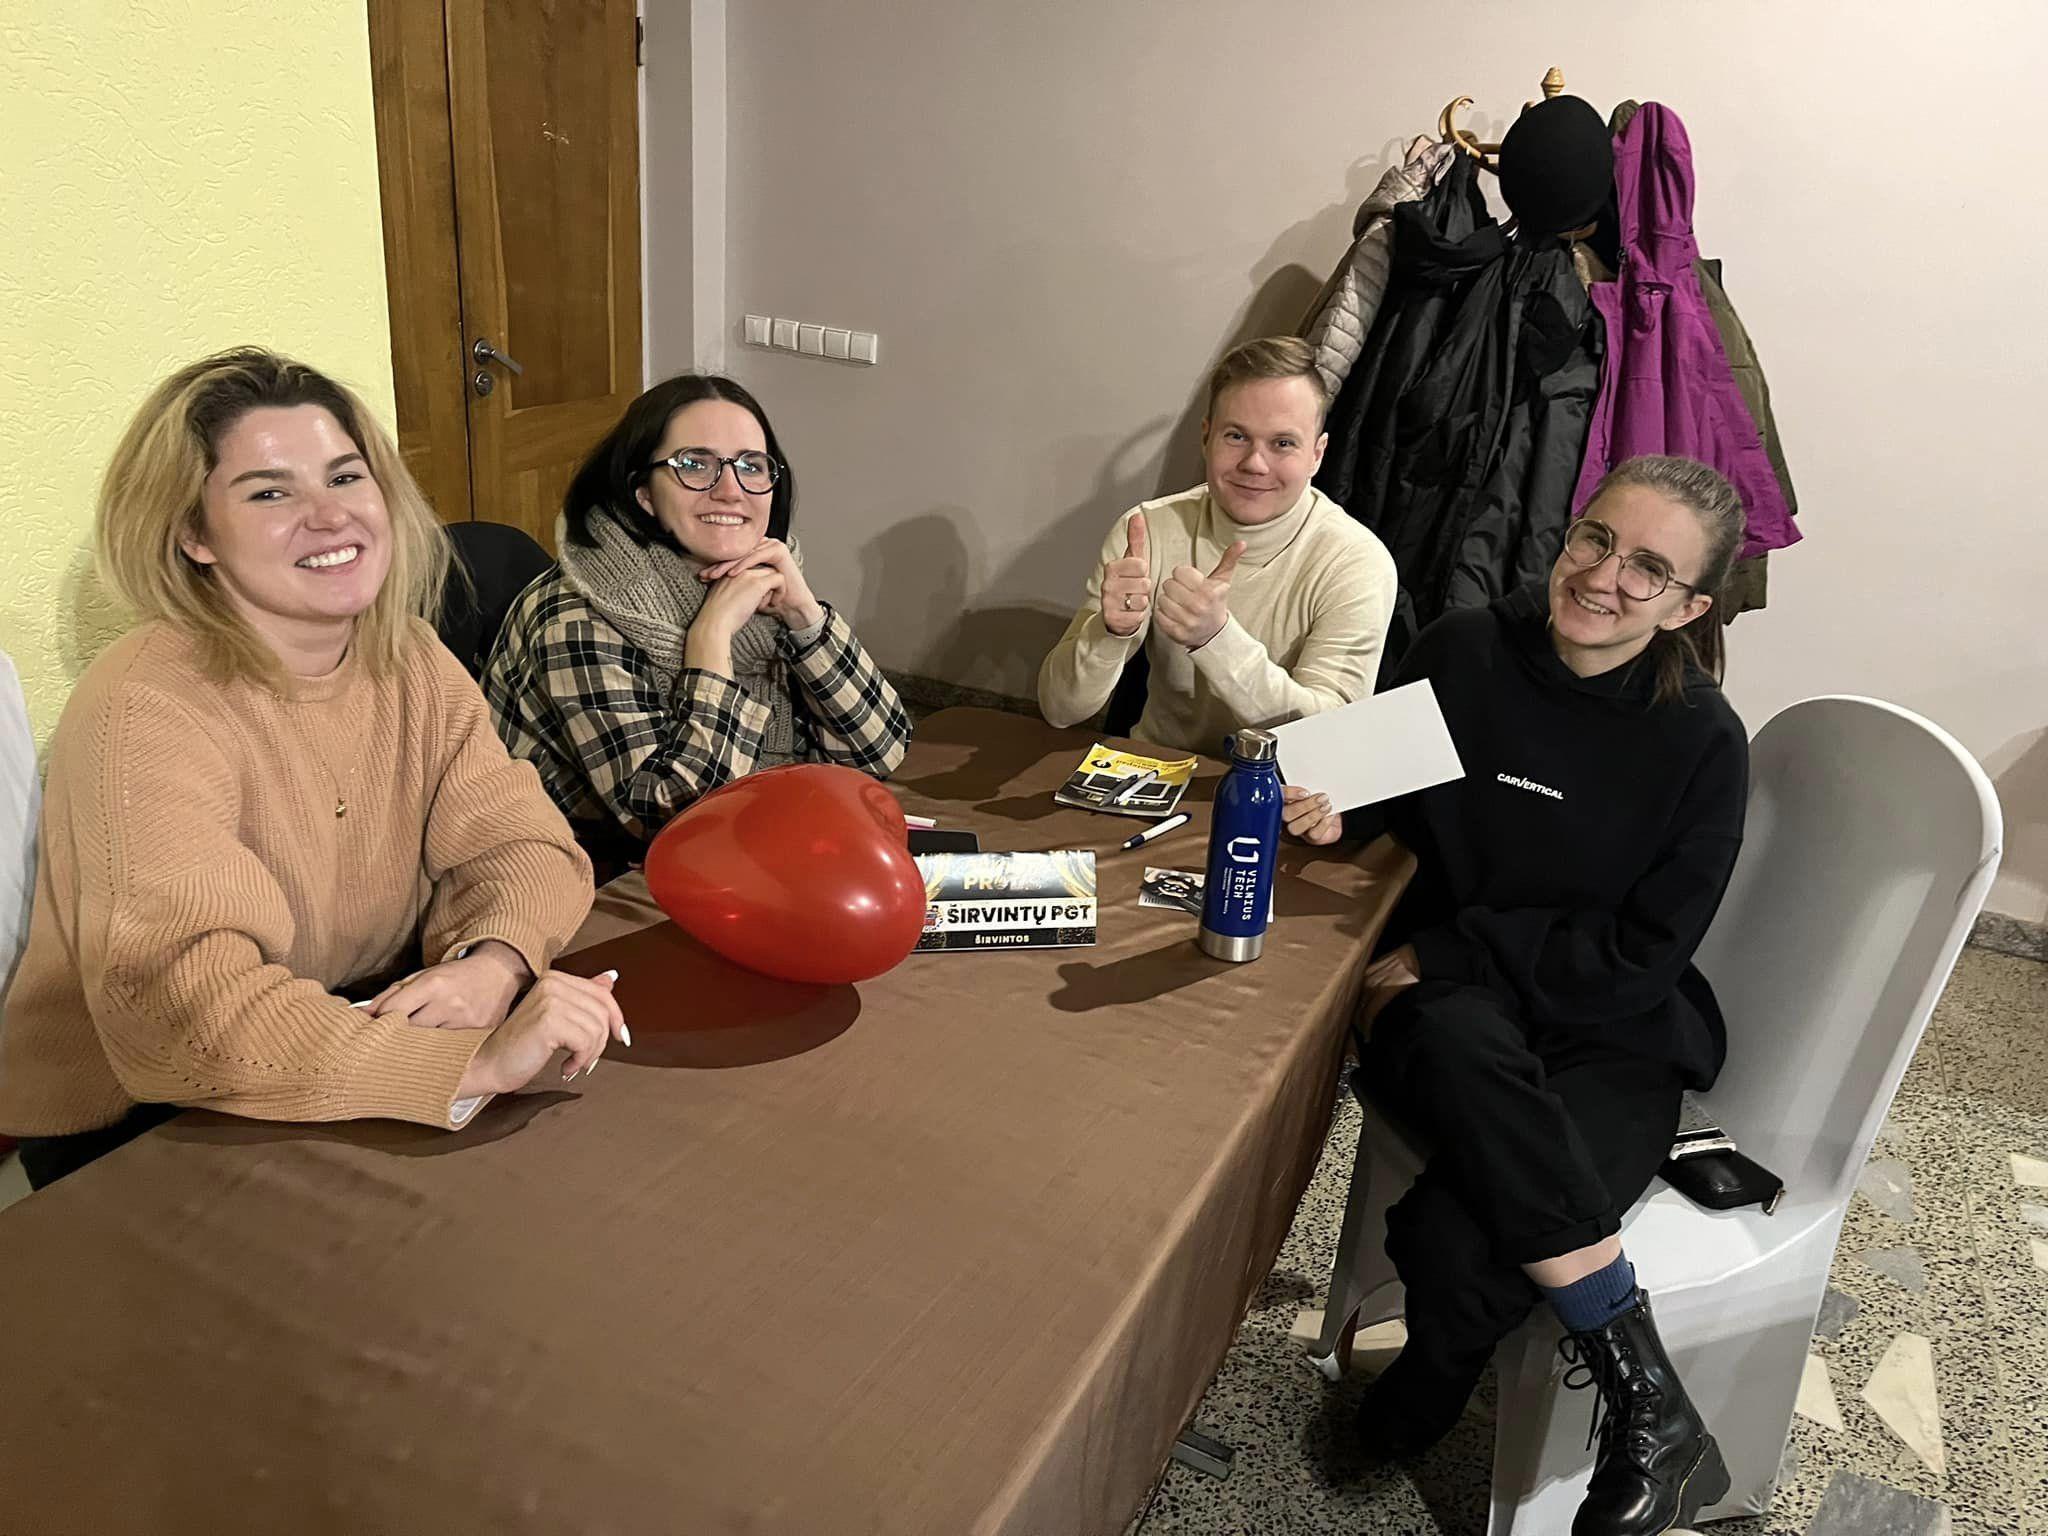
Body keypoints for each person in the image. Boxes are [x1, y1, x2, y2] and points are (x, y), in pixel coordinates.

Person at [0, 349, 619, 1190]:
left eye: (345, 477)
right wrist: (468, 1065)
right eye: (269, 493)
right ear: (192, 534)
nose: (330, 517)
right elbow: (184, 1011)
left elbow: (524, 844)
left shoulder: (409, 655)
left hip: (356, 1026)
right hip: (150, 1116)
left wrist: (493, 962)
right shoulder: (145, 704)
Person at [1284, 456, 1750, 1536]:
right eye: (1595, 539)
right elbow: (1380, 789)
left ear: (1686, 608)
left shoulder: (1702, 741)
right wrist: (1334, 809)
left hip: (1609, 1021)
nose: (1603, 576)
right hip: (1449, 1007)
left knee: (1462, 1241)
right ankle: (1650, 1400)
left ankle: (1442, 1379)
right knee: (1451, 1042)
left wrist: (1453, 950)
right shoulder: (1464, 650)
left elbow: (1642, 956)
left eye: (1648, 570)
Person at [484, 375, 911, 873]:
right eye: (694, 464)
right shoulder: (575, 616)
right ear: (644, 492)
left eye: (751, 466)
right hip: (594, 876)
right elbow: (678, 822)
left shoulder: (755, 578)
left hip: (753, 839)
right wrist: (710, 639)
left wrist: (804, 616)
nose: (730, 491)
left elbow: (878, 751)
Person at [1036, 335, 1396, 755]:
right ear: (1206, 437)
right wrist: (1110, 633)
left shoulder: (1357, 561)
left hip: (1281, 783)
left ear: (1317, 454)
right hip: (1155, 770)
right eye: (1236, 436)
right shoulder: (1147, 530)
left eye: (1282, 443)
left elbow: (1330, 745)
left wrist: (1217, 639)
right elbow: (1059, 709)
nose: (1255, 463)